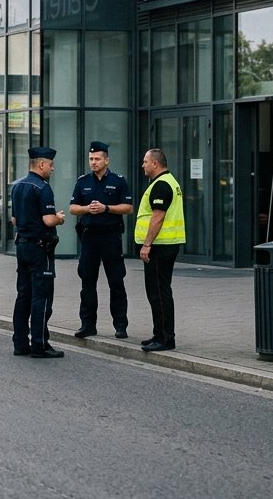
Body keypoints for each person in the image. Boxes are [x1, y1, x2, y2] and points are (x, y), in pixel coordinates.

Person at [68, 141, 134, 339]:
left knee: (116, 281)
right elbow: (72, 208)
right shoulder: (82, 181)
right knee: (87, 282)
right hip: (89, 237)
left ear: (106, 160)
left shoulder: (119, 180)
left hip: (110, 237)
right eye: (91, 159)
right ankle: (88, 324)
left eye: (97, 159)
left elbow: (128, 208)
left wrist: (107, 208)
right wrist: (87, 209)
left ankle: (120, 325)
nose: (93, 162)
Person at [10, 146, 66, 359]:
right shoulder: (42, 188)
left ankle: (20, 342)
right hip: (40, 248)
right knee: (41, 296)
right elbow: (48, 220)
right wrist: (59, 218)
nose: (52, 169)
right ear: (41, 164)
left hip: (22, 245)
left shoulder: (18, 186)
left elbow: (14, 219)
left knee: (23, 295)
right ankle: (40, 344)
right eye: (51, 165)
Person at [136, 148, 185, 353]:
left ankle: (165, 338)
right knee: (157, 291)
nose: (143, 165)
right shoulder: (168, 182)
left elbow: (158, 217)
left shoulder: (161, 184)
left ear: (155, 164)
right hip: (165, 245)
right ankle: (160, 334)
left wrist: (147, 244)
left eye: (145, 162)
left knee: (159, 292)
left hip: (160, 247)